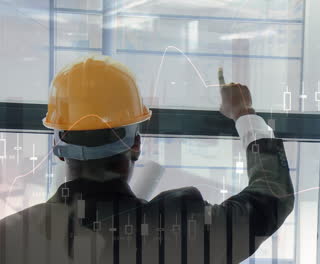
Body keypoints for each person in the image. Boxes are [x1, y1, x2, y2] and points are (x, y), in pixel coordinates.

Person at [0, 55, 294, 264]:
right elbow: (270, 197)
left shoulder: (11, 238)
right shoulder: (181, 229)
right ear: (135, 145)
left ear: (57, 148)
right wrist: (245, 114)